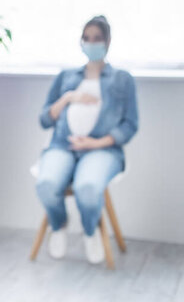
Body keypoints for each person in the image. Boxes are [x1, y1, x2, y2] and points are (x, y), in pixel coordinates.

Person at [36, 15, 138, 264]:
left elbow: (130, 125)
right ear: (81, 42)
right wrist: (68, 97)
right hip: (63, 145)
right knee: (46, 184)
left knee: (88, 188)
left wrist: (96, 143)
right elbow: (44, 120)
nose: (91, 43)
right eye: (87, 38)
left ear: (108, 41)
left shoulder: (122, 79)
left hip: (102, 150)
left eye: (97, 39)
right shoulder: (66, 76)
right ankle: (58, 225)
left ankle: (91, 230)